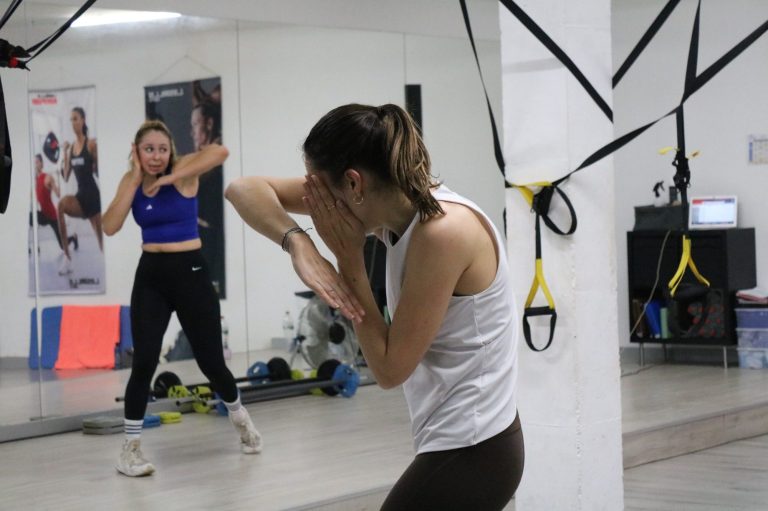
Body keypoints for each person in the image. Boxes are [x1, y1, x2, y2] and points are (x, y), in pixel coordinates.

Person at [226, 103, 524, 510]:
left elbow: (388, 369)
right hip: (458, 439)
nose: (318, 204)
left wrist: (348, 259)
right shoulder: (397, 209)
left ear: (354, 183)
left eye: (321, 192)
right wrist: (298, 243)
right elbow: (242, 189)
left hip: (476, 447)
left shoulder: (443, 232)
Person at [102, 120, 261, 477]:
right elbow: (110, 226)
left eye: (162, 149)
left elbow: (220, 151)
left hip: (191, 273)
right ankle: (130, 450)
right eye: (148, 149)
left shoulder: (185, 172)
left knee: (211, 363)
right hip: (151, 277)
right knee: (144, 362)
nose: (156, 156)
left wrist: (171, 177)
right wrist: (134, 179)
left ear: (171, 150)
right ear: (136, 151)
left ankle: (241, 419)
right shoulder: (131, 181)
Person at [58, 106, 101, 275]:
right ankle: (67, 258)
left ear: (83, 120)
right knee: (61, 205)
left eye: (75, 118)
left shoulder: (91, 144)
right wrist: (64, 153)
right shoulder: (70, 149)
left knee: (101, 242)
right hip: (80, 197)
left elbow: (99, 171)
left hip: (93, 197)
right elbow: (66, 176)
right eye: (71, 119)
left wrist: (98, 157)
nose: (73, 122)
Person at [30, 153, 77, 256]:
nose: (35, 164)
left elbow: (58, 194)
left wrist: (58, 181)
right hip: (43, 214)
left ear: (41, 164)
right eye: (34, 163)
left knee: (62, 245)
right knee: (29, 217)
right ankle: (30, 247)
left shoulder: (48, 177)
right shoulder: (35, 180)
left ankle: (73, 237)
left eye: (37, 162)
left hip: (52, 216)